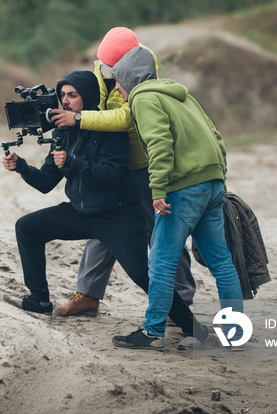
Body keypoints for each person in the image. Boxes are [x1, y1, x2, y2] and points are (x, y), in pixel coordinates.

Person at [1, 70, 209, 349]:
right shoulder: (63, 132)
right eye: (62, 95)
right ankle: (38, 300)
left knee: (142, 275)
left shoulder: (109, 129)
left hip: (118, 217)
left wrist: (73, 163)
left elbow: (111, 175)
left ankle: (193, 328)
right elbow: (46, 183)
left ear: (86, 97)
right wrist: (22, 167)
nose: (65, 101)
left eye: (72, 95)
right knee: (27, 228)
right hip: (80, 214)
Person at [48, 27, 196, 319]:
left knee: (162, 230)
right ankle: (88, 295)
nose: (106, 73)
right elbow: (95, 100)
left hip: (143, 165)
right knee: (102, 223)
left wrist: (78, 118)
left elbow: (127, 117)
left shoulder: (140, 70)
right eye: (103, 65)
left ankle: (182, 300)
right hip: (111, 162)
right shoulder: (103, 63)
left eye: (112, 69)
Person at [109, 46, 243, 349]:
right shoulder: (180, 94)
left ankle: (152, 331)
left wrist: (158, 191)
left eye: (119, 79)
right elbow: (216, 136)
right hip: (211, 184)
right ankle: (235, 333)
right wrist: (219, 176)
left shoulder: (143, 98)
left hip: (183, 188)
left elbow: (159, 145)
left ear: (131, 77)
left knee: (160, 262)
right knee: (222, 261)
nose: (116, 87)